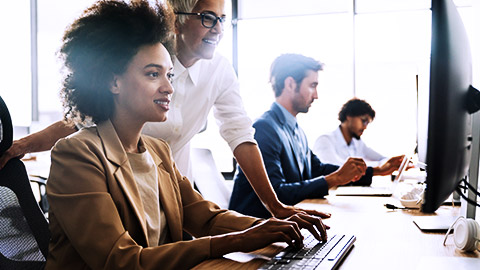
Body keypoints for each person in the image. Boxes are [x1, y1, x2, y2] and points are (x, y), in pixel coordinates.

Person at [45, 2, 327, 269]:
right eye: (153, 74)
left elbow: (206, 219)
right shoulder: (76, 155)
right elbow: (121, 261)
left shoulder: (158, 151)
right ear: (113, 82)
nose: (169, 88)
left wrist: (268, 226)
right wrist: (238, 240)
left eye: (169, 75)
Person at [229, 54, 400, 218]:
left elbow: (317, 169)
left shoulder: (296, 129)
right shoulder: (264, 128)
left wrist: (377, 171)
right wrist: (336, 178)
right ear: (290, 84)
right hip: (256, 229)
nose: (316, 95)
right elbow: (277, 194)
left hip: (286, 223)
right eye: (312, 85)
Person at [313, 98, 404, 168]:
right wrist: (379, 167)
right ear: (349, 116)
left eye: (367, 123)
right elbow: (335, 169)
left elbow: (382, 159)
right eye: (363, 121)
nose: (365, 127)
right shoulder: (325, 140)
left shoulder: (357, 143)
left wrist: (394, 162)